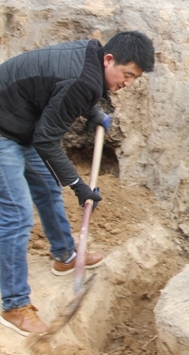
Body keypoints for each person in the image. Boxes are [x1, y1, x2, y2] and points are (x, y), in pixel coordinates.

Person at [0, 31, 155, 336]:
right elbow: (47, 139)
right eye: (127, 75)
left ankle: (65, 255)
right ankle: (14, 306)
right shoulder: (83, 79)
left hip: (21, 123)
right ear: (109, 59)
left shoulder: (90, 56)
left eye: (134, 78)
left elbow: (62, 88)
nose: (128, 84)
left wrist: (95, 112)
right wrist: (78, 184)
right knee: (17, 215)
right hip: (4, 131)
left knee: (46, 188)